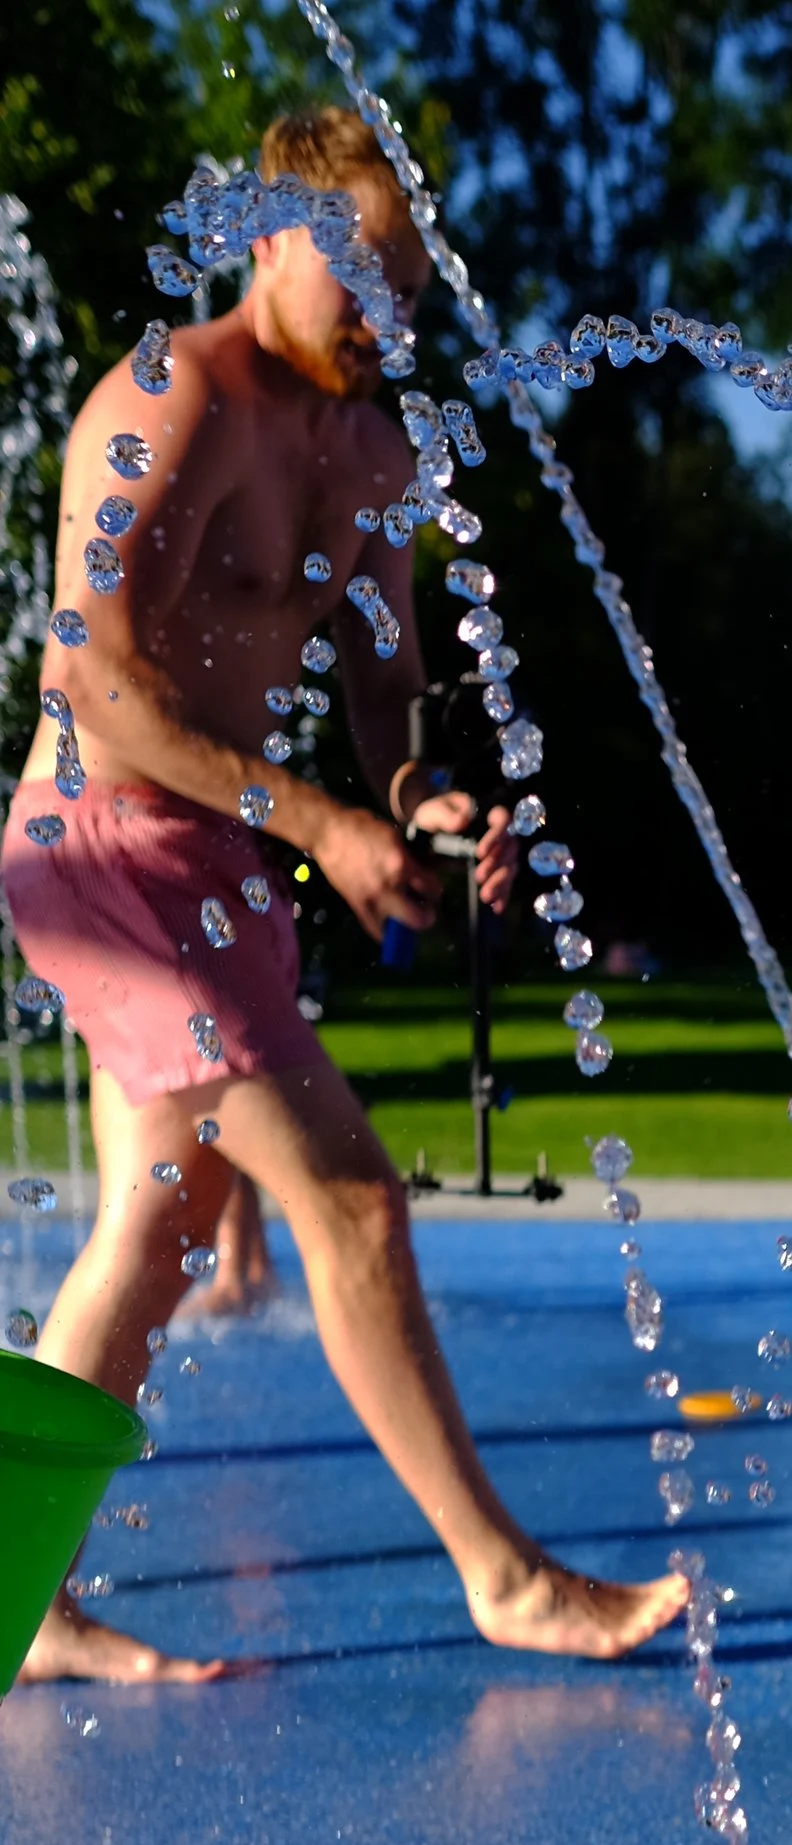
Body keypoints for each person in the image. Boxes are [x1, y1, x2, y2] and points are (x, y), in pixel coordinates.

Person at [1, 105, 684, 1681]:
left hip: (214, 861)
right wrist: (321, 825)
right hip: (94, 847)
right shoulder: (168, 399)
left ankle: (24, 1600)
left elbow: (388, 703)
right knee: (351, 1196)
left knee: (159, 1233)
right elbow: (89, 683)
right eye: (366, 282)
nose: (392, 323)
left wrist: (420, 808)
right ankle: (501, 1573)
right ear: (270, 238)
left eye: (416, 298)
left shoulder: (373, 451)